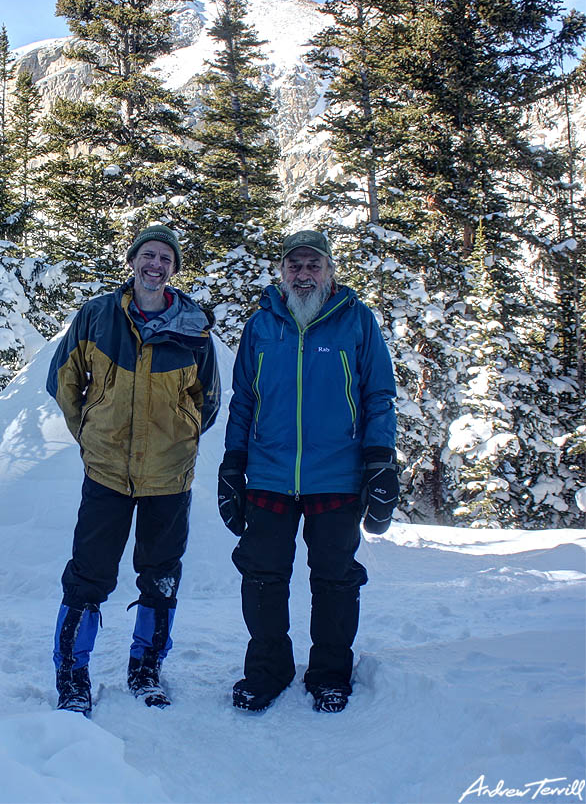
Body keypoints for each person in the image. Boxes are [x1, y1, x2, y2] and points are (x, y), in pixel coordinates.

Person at [218, 229, 398, 714]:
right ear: (281, 273)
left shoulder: (356, 321)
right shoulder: (261, 325)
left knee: (336, 578)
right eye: (294, 265)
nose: (303, 274)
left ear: (329, 271)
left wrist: (380, 461)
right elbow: (244, 401)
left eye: (312, 265)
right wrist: (233, 465)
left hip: (337, 476)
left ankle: (330, 673)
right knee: (261, 575)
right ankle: (268, 669)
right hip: (270, 474)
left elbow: (378, 395)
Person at [46, 224, 221, 714]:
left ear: (173, 269)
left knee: (160, 574)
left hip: (168, 475)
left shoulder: (192, 327)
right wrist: (91, 432)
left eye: (166, 257)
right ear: (133, 261)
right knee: (88, 575)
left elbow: (209, 400)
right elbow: (63, 379)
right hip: (106, 472)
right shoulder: (98, 316)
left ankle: (146, 667)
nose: (155, 264)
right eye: (148, 254)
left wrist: (181, 435)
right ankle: (72, 672)